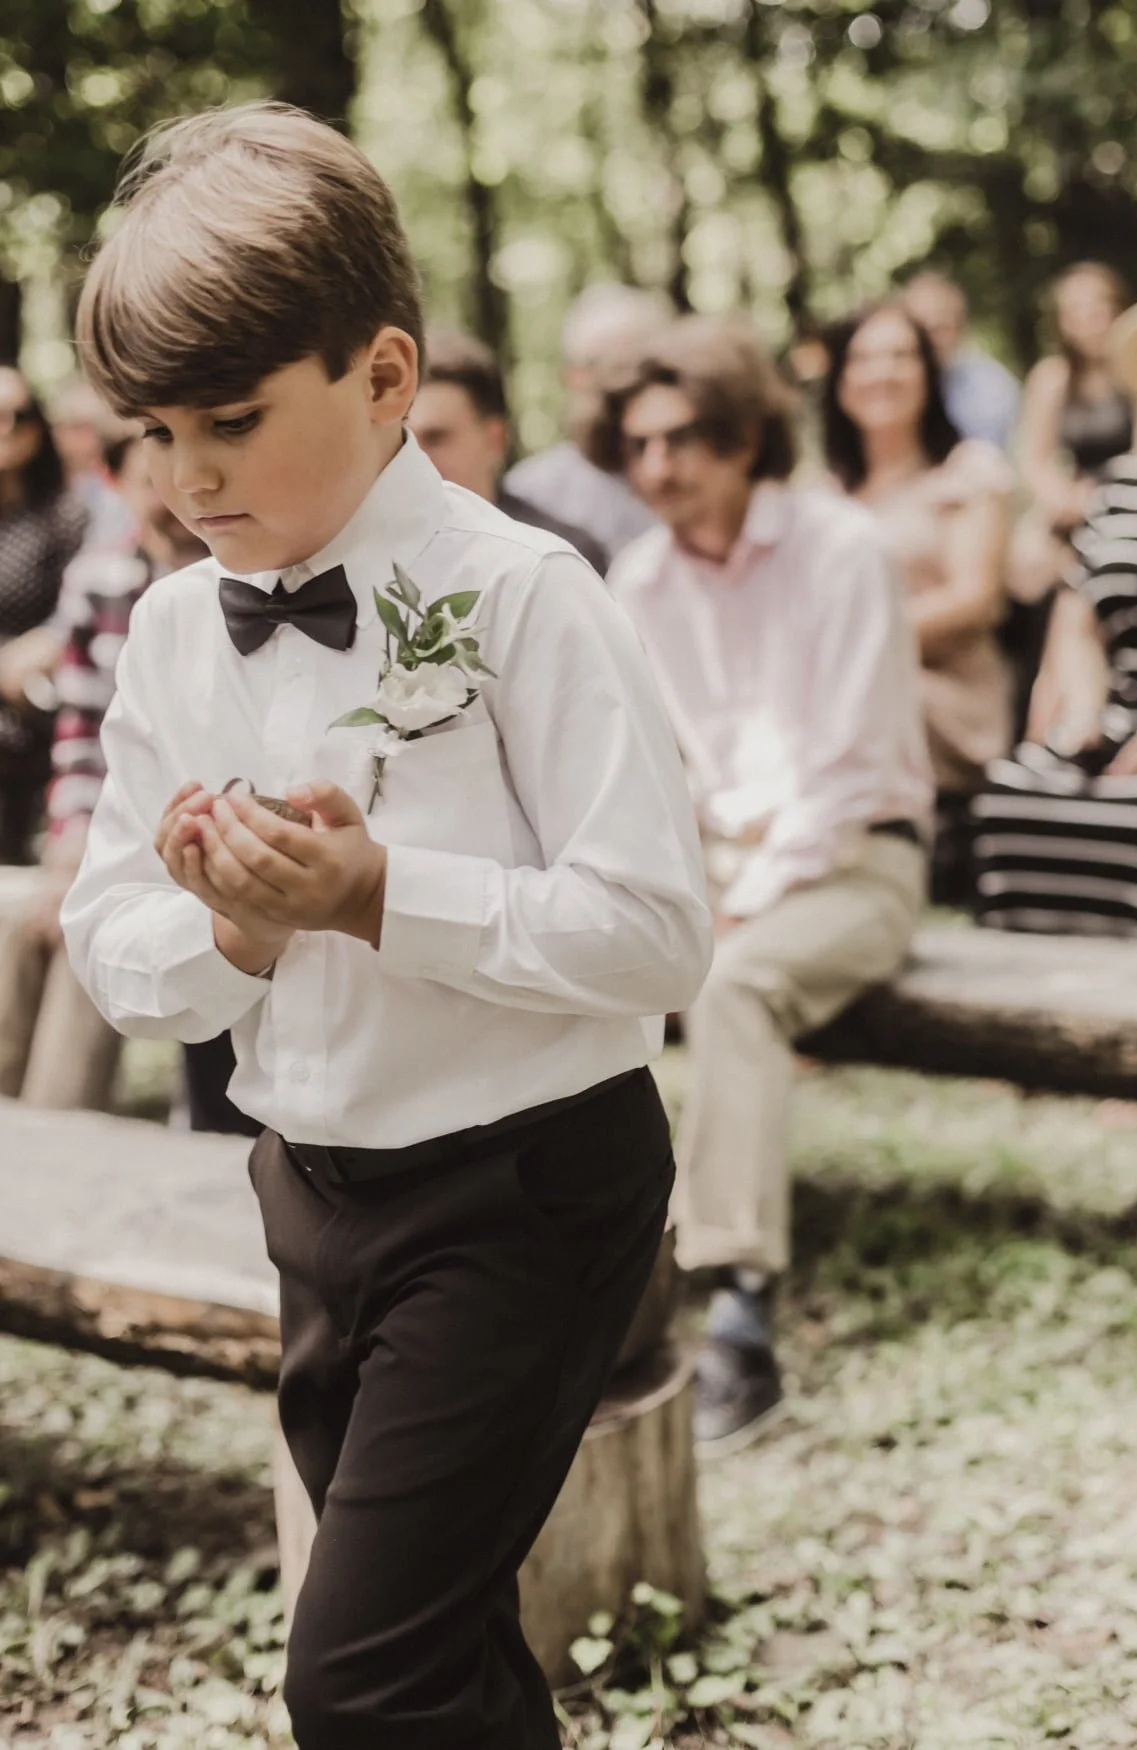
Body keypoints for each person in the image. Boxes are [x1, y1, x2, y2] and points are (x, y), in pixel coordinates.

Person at [62, 102, 711, 1750]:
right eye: (151, 433)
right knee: (443, 1646)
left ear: (383, 375)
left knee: (360, 1673)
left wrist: (380, 897)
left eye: (228, 419)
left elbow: (654, 934)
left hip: (524, 1185)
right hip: (306, 1197)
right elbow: (106, 940)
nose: (187, 475)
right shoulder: (166, 635)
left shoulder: (523, 598)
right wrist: (237, 935)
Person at [594, 316, 931, 1449]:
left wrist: (736, 903)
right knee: (584, 962)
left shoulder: (842, 549)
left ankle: (737, 1306)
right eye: (637, 444)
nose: (658, 466)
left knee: (733, 982)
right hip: (718, 861)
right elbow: (655, 771)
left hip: (860, 858)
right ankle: (593, 1266)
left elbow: (846, 773)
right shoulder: (635, 578)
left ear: (744, 435)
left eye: (684, 437)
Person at [0, 434, 207, 1107]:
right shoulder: (100, 580)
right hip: (108, 825)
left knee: (93, 930)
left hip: (191, 830)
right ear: (117, 488)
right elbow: (81, 738)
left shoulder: (236, 587)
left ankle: (57, 1127)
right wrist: (69, 854)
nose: (168, 503)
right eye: (149, 485)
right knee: (28, 920)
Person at [973, 282, 1137, 937]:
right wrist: (1081, 708)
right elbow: (1082, 618)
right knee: (1012, 791)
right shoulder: (1119, 486)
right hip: (1120, 717)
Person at [822, 300, 1014, 903]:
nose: (884, 372)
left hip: (941, 703)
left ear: (929, 374)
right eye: (865, 358)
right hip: (839, 699)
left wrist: (857, 647)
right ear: (840, 380)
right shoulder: (820, 489)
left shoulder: (968, 471)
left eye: (902, 356)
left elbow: (975, 600)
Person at [410, 326, 609, 573]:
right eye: (403, 440)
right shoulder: (369, 554)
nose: (413, 457)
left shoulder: (563, 559)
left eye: (436, 438)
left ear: (495, 440)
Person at [503, 282, 666, 558]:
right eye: (607, 366)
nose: (624, 384)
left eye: (642, 367)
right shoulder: (532, 492)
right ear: (573, 377)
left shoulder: (699, 477)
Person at [0, 367, 87, 862]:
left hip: (31, 713)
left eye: (19, 416)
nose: (7, 428)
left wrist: (46, 646)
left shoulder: (65, 515)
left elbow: (81, 610)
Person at [1008, 262, 1133, 606]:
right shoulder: (1052, 378)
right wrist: (1060, 498)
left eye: (1099, 306)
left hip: (1136, 499)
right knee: (1029, 569)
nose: (1091, 319)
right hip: (1075, 506)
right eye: (1077, 311)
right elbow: (1034, 460)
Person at [903, 270, 1021, 453]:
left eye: (939, 328)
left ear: (961, 330)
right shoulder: (878, 386)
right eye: (919, 329)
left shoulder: (991, 389)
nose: (929, 341)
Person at [50, 375, 137, 548]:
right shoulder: (51, 486)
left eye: (92, 427)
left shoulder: (120, 478)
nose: (91, 437)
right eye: (75, 428)